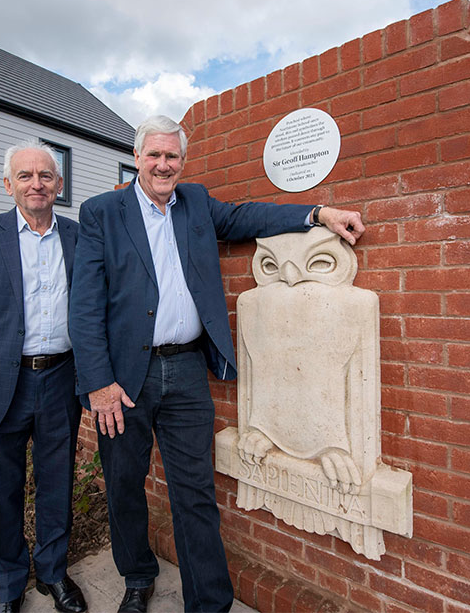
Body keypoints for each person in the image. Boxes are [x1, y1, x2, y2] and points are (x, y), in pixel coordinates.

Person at [70, 115, 364, 613]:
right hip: (122, 379)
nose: (164, 164)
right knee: (123, 486)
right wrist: (98, 383)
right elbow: (84, 305)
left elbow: (249, 218)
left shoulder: (197, 204)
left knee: (195, 492)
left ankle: (208, 602)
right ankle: (138, 578)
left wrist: (318, 214)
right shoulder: (102, 212)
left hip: (185, 371)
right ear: (137, 157)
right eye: (154, 155)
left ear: (182, 162)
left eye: (173, 157)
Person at [0, 141, 88, 613]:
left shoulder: (80, 237)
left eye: (45, 175)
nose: (36, 184)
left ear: (59, 185)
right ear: (8, 185)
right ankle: (6, 586)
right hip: (1, 385)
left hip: (61, 379)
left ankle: (52, 574)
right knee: (1, 492)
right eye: (24, 176)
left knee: (56, 484)